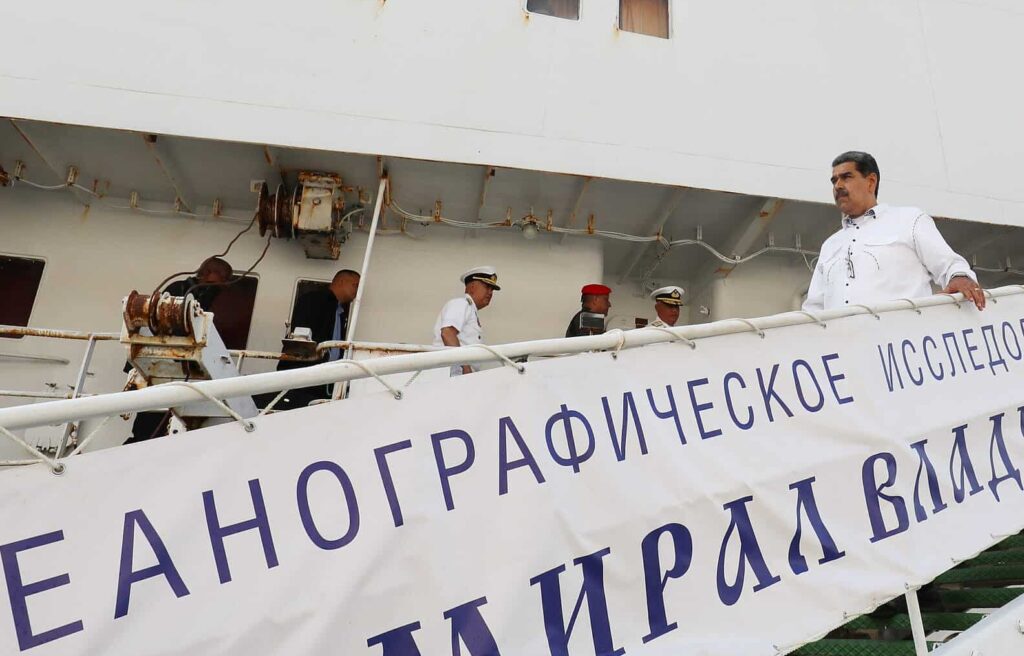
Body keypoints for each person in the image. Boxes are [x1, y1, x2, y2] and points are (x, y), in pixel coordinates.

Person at [804, 151, 984, 312]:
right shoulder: (830, 245)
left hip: (901, 342)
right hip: (846, 345)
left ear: (871, 182)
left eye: (846, 177)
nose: (838, 185)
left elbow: (950, 265)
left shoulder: (909, 220)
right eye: (834, 180)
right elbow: (814, 309)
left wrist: (960, 277)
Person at [275, 269, 361, 406]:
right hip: (305, 374)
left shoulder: (340, 312)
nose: (357, 291)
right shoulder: (313, 300)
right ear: (342, 281)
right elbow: (301, 334)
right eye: (356, 285)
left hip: (326, 378)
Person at [433, 266, 501, 376]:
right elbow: (447, 333)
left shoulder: (470, 310)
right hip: (453, 373)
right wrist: (465, 368)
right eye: (487, 286)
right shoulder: (461, 304)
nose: (490, 292)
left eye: (492, 289)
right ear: (472, 287)